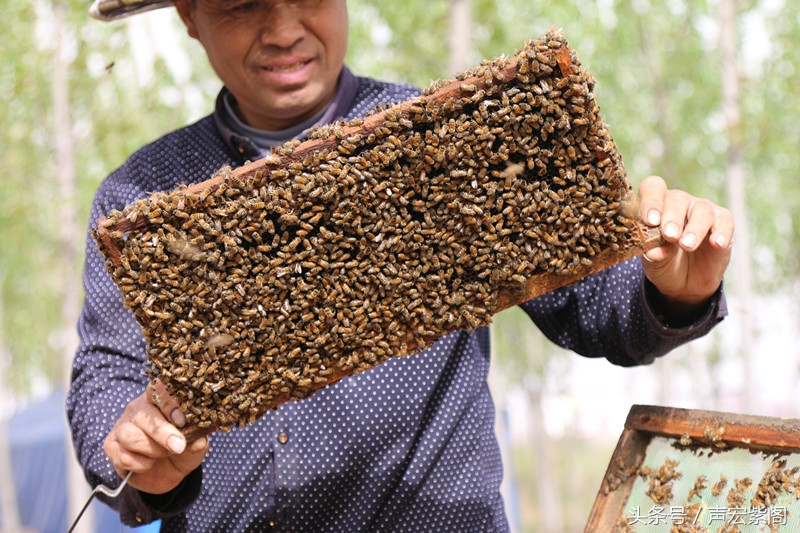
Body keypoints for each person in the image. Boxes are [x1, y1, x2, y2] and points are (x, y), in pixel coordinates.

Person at [68, 0, 734, 531]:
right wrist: (133, 449)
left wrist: (672, 291)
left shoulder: (454, 141)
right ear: (190, 16)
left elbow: (600, 307)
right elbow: (107, 374)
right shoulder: (141, 197)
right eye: (242, 5)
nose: (283, 28)